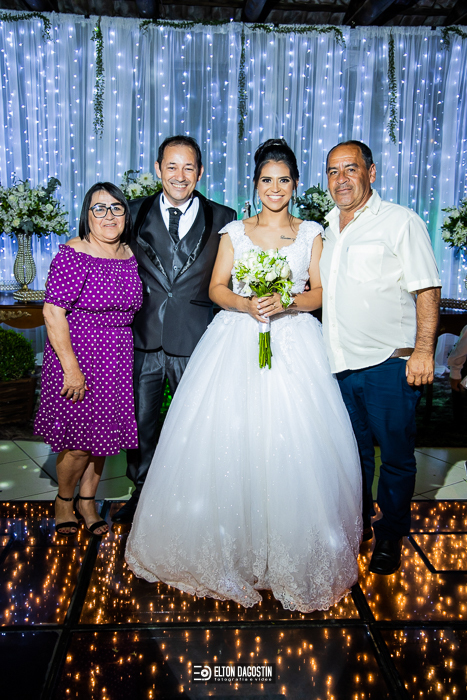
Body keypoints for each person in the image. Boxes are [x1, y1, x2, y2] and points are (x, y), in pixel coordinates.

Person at [125, 139, 363, 613]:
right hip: (236, 339)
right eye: (267, 180)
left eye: (284, 180)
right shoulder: (234, 230)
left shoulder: (311, 232)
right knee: (228, 441)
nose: (275, 188)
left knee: (291, 444)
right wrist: (246, 303)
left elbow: (320, 291)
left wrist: (288, 301)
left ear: (296, 185)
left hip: (294, 342)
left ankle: (288, 549)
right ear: (255, 185)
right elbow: (216, 287)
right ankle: (226, 545)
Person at [320, 140, 441, 575]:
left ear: (371, 173)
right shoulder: (326, 228)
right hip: (339, 365)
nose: (341, 179)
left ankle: (390, 534)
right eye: (333, 171)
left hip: (388, 362)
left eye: (350, 169)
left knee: (395, 456)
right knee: (352, 456)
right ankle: (359, 526)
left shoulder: (400, 221)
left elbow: (427, 287)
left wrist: (423, 350)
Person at [112, 136, 236, 524]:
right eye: (171, 166)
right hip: (143, 336)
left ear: (200, 172)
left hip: (196, 337)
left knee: (197, 424)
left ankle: (194, 495)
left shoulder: (225, 217)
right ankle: (142, 493)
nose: (179, 176)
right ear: (157, 169)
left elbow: (233, 278)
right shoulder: (133, 211)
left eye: (188, 167)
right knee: (141, 422)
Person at [34, 183, 143, 536]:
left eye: (116, 208)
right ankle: (64, 500)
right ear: (87, 215)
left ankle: (87, 501)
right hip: (78, 355)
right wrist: (71, 369)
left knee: (103, 439)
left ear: (126, 214)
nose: (109, 216)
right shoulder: (74, 253)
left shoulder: (129, 253)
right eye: (99, 208)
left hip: (116, 356)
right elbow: (52, 313)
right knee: (79, 444)